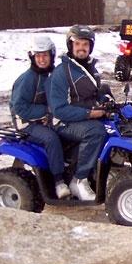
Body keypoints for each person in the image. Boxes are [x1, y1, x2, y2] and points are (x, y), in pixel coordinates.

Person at [48, 25, 108, 201]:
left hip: (81, 118)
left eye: (85, 44)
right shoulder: (62, 72)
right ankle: (79, 180)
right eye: (78, 44)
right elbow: (59, 109)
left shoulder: (90, 68)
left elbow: (94, 94)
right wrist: (90, 113)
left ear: (90, 47)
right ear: (70, 46)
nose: (81, 48)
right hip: (63, 122)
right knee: (96, 131)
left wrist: (106, 101)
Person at [10, 36, 70, 199]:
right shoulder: (28, 79)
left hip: (43, 120)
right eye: (38, 56)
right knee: (51, 138)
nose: (42, 59)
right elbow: (19, 108)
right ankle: (59, 182)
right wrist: (45, 111)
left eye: (45, 55)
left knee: (69, 132)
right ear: (32, 57)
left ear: (51, 55)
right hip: (26, 124)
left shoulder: (50, 75)